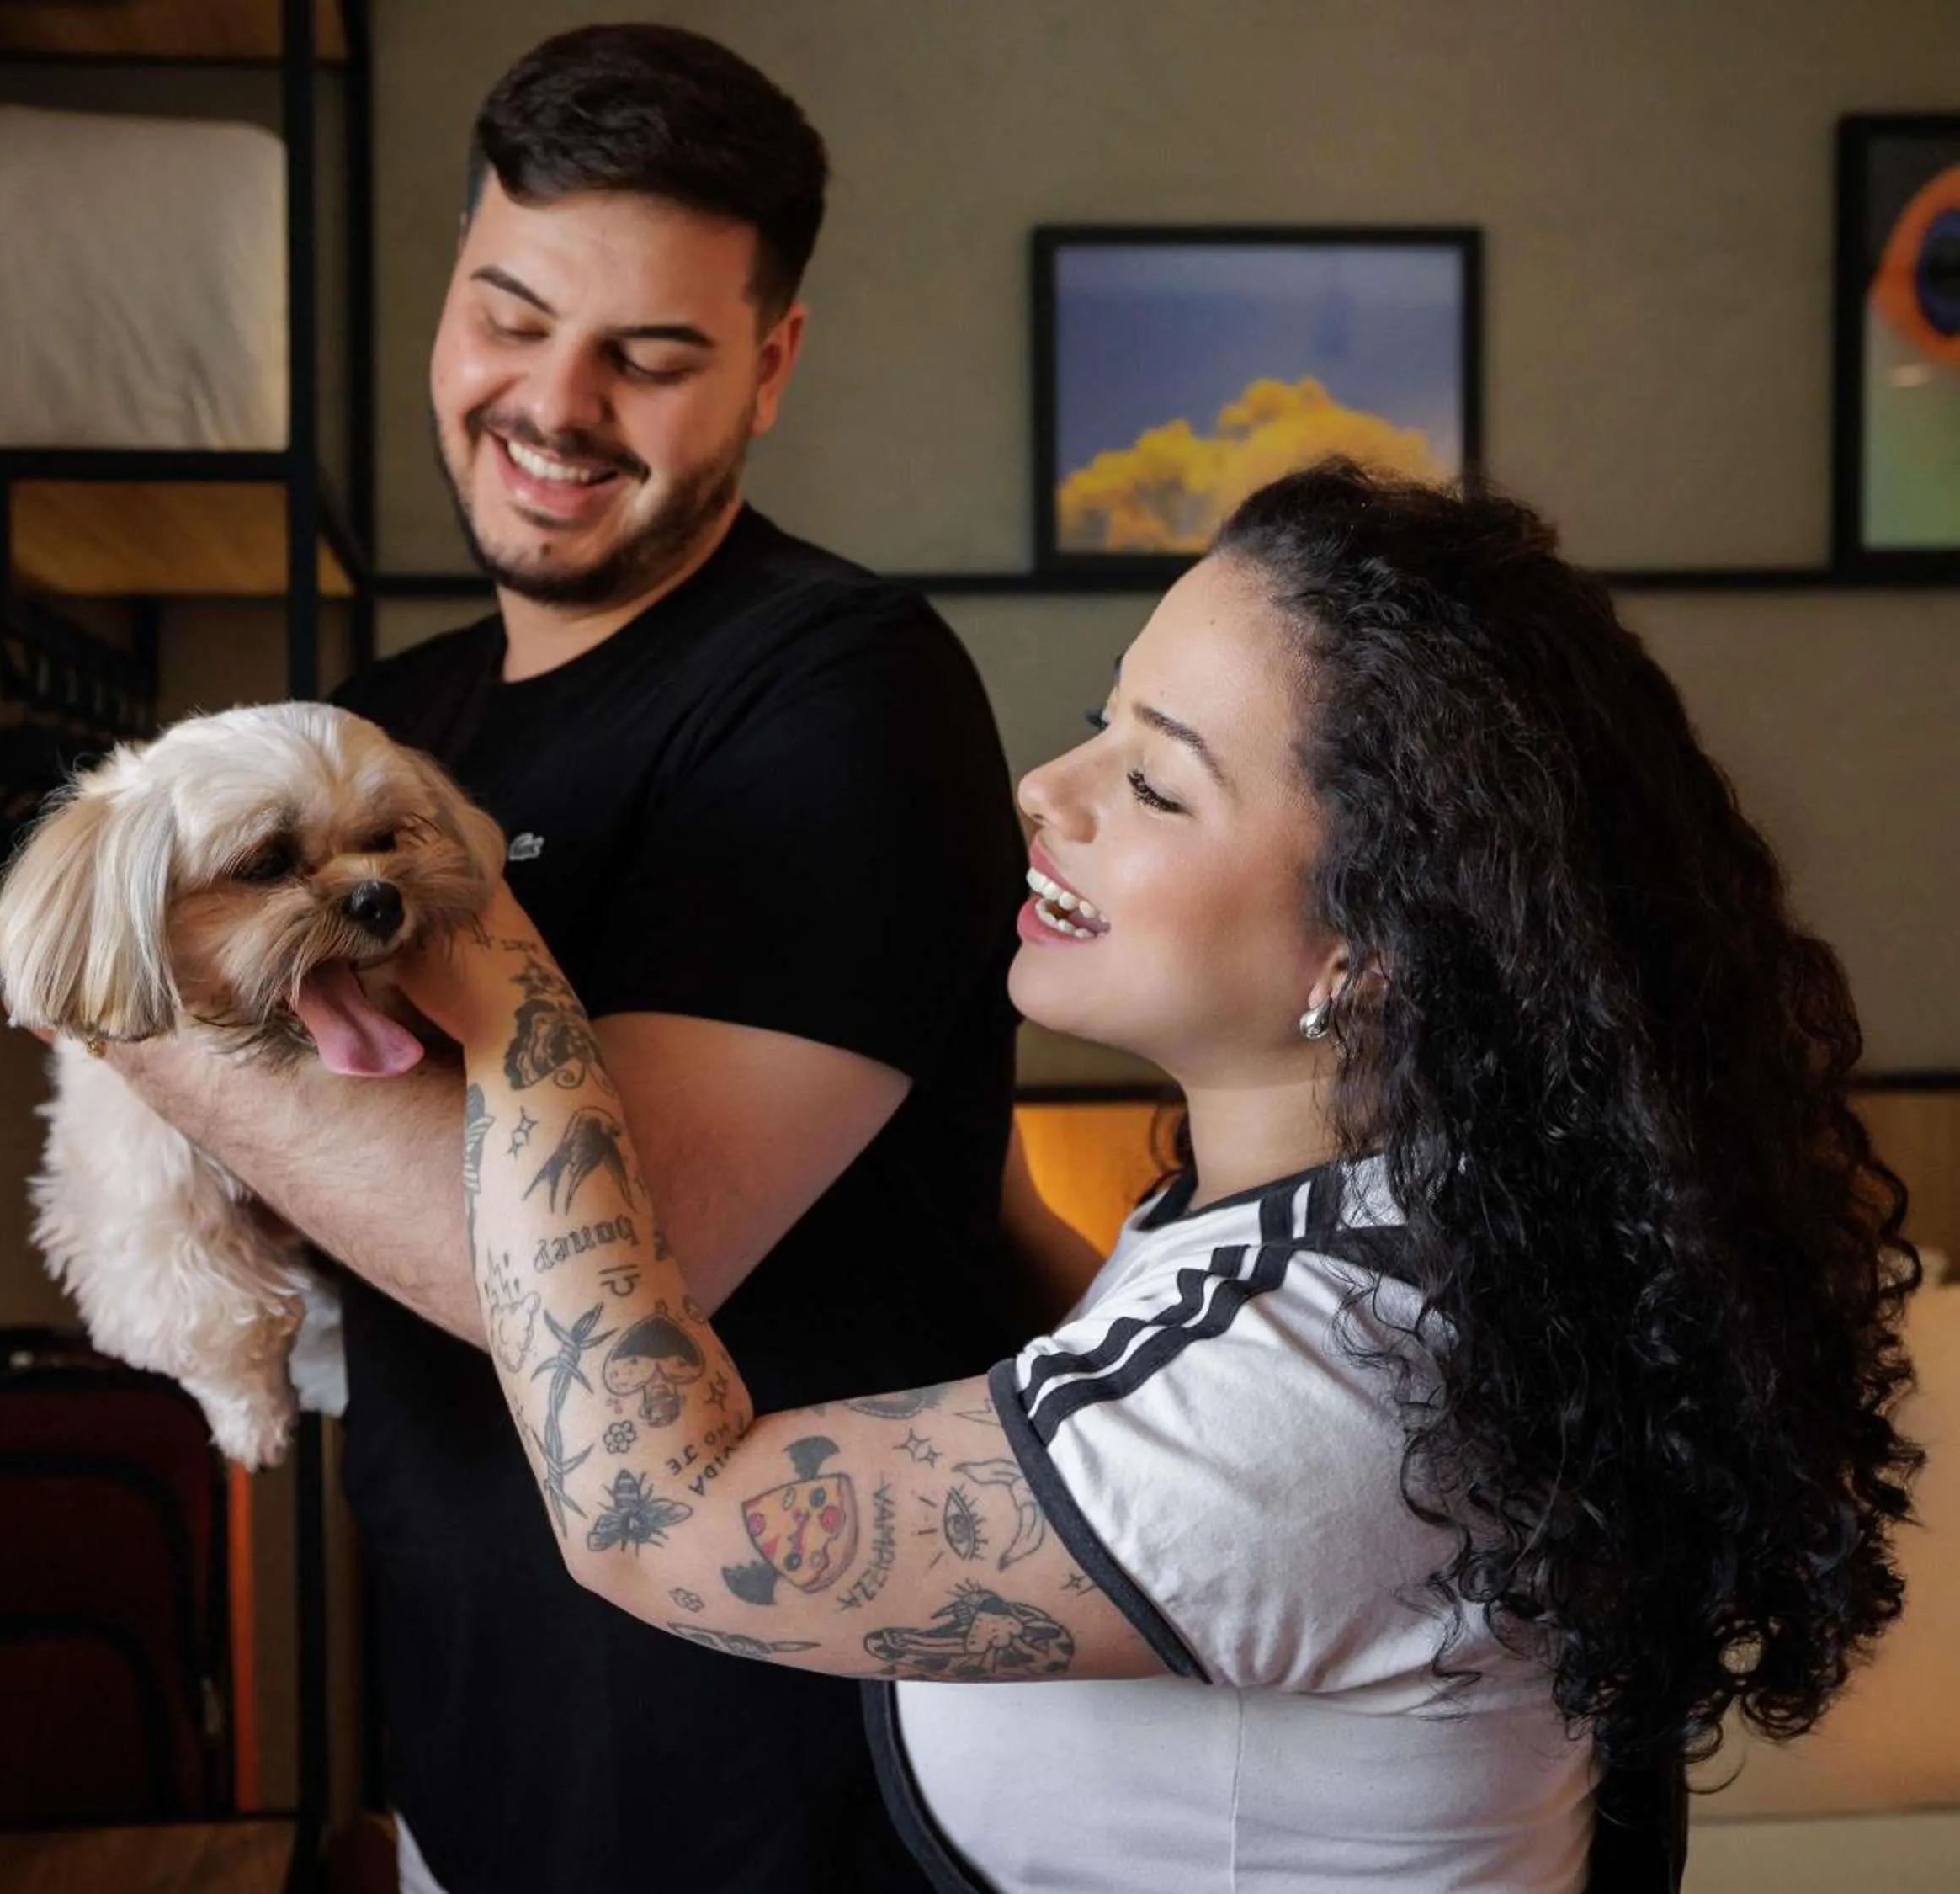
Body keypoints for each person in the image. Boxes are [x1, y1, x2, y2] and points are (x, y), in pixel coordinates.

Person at [396, 460, 1927, 1894]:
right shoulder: (1401, 1228)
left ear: (1371, 948)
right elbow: (1121, 1364)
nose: (1048, 789)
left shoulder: (1331, 1390)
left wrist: (499, 983)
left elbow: (652, 1521)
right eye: (1100, 719)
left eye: (1159, 784)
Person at [94, 25, 1037, 1894]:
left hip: (779, 1778)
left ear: (770, 365)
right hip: (473, 1757)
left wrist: (124, 983)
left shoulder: (842, 692)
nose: (553, 401)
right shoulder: (388, 721)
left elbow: (623, 1269)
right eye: (507, 314)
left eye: (651, 356)